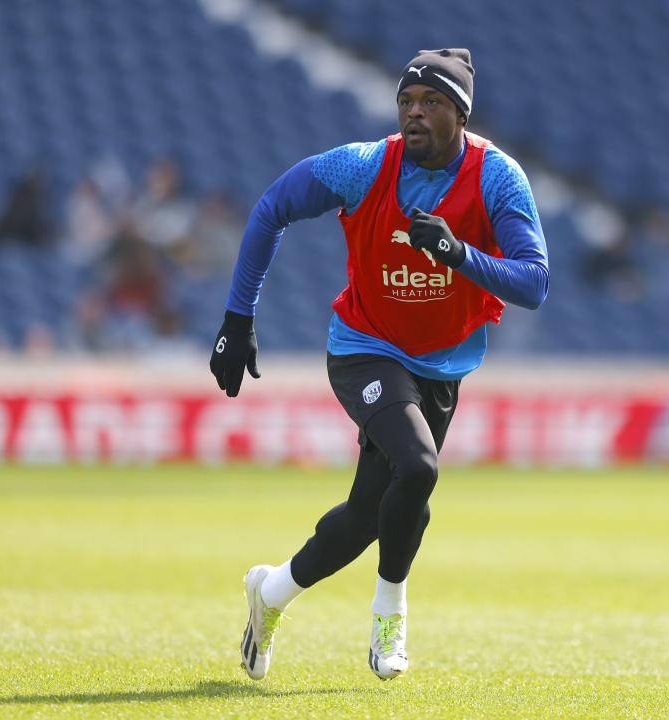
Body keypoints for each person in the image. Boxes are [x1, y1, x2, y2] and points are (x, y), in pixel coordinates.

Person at [210, 48, 549, 681]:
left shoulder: (498, 177)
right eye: (406, 102)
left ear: (462, 115)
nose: (415, 113)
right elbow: (271, 208)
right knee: (419, 466)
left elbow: (533, 282)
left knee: (370, 513)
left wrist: (458, 253)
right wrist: (238, 317)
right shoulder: (364, 165)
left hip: (442, 366)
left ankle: (270, 592)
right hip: (364, 348)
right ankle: (389, 616)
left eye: (432, 103)